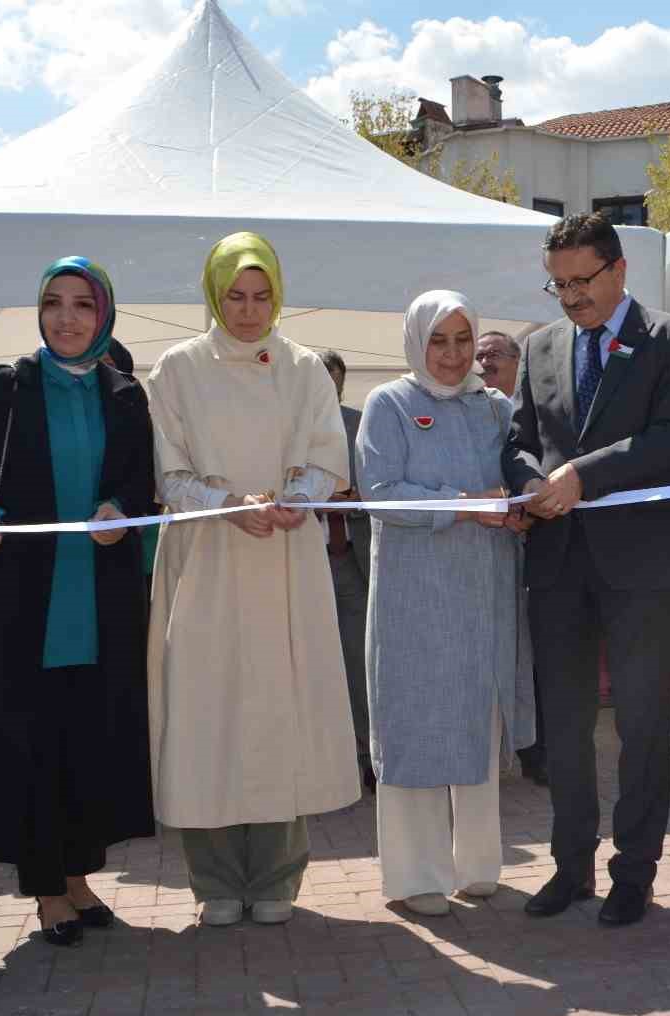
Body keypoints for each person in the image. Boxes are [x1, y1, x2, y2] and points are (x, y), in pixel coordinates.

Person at [145, 232, 360, 927]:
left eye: (261, 295)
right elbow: (168, 472)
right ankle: (212, 880)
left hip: (283, 566)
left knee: (276, 714)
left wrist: (299, 496)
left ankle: (276, 876)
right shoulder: (176, 368)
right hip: (205, 563)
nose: (248, 309)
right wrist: (226, 505)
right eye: (235, 295)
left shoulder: (303, 368)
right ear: (212, 294)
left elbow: (331, 455)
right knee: (208, 715)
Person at [501, 212, 670, 927]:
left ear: (619, 270)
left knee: (644, 724)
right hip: (556, 565)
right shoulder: (539, 346)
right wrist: (529, 482)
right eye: (558, 285)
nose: (571, 297)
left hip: (638, 563)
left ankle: (634, 872)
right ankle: (570, 866)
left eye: (582, 281)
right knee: (566, 726)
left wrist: (581, 475)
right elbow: (519, 439)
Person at [0, 257, 157, 946]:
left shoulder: (125, 393)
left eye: (81, 305)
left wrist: (119, 506)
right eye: (53, 302)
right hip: (26, 605)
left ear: (104, 316)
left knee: (85, 744)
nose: (66, 317)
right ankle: (46, 889)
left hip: (100, 604)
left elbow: (140, 484)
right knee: (33, 744)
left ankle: (76, 877)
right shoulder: (9, 387)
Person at [360, 290, 535, 916]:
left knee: (476, 727)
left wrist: (518, 511)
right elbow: (381, 492)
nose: (454, 354)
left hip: (483, 594)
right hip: (416, 600)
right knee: (417, 726)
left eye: (464, 340)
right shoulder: (389, 405)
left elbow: (516, 478)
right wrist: (468, 504)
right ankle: (416, 877)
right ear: (415, 342)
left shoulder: (495, 409)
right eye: (439, 340)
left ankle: (478, 864)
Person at [477, 329, 550, 786]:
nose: (484, 362)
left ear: (518, 362)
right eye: (479, 355)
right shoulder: (474, 412)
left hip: (534, 547)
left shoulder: (535, 408)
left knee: (536, 656)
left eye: (494, 355)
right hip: (484, 550)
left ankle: (536, 753)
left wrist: (528, 512)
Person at [319, 349, 374, 789]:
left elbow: (379, 488)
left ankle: (367, 754)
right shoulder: (287, 427)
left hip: (353, 562)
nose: (329, 389)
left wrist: (355, 501)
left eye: (335, 381)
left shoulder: (361, 424)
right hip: (304, 564)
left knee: (359, 664)